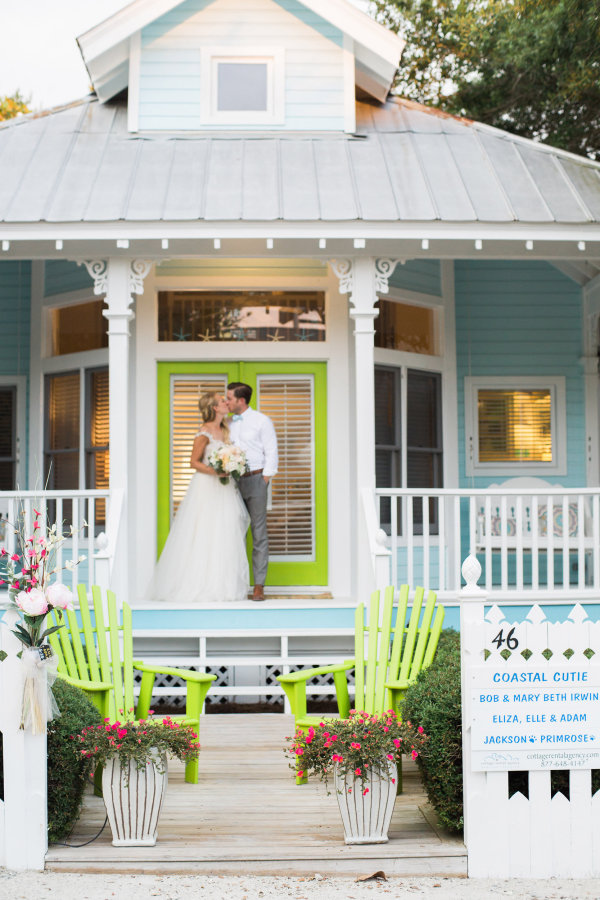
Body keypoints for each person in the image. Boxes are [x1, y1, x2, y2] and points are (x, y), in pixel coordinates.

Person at [147, 392, 249, 604]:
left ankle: (224, 585)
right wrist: (217, 471)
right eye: (222, 401)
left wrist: (232, 464)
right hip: (207, 487)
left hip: (225, 489)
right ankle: (199, 584)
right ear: (214, 407)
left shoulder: (225, 429)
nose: (226, 403)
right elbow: (193, 462)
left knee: (225, 531)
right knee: (205, 531)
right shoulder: (204, 431)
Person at [226, 382, 278, 602]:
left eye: (229, 398)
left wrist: (264, 479)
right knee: (233, 533)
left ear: (241, 400)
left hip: (256, 479)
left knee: (258, 534)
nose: (226, 401)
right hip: (232, 482)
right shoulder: (227, 422)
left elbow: (272, 451)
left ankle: (258, 585)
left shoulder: (261, 421)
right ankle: (235, 584)